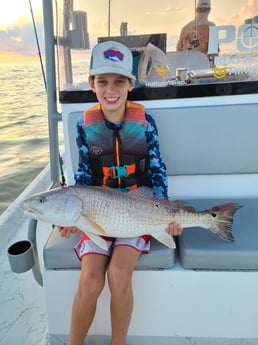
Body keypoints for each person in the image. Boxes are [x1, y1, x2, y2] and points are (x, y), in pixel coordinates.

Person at [58, 40, 182, 345]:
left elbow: (157, 171)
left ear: (130, 85)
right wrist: (74, 217)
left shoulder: (145, 123)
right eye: (102, 82)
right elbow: (84, 177)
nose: (110, 89)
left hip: (136, 214)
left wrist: (165, 213)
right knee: (89, 281)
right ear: (92, 84)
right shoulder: (84, 126)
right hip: (97, 213)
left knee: (118, 276)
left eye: (118, 82)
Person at [176, 0, 217, 64]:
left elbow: (179, 52)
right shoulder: (211, 27)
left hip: (194, 68)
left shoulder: (185, 28)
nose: (203, 14)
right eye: (201, 10)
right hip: (200, 68)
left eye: (204, 10)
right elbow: (214, 55)